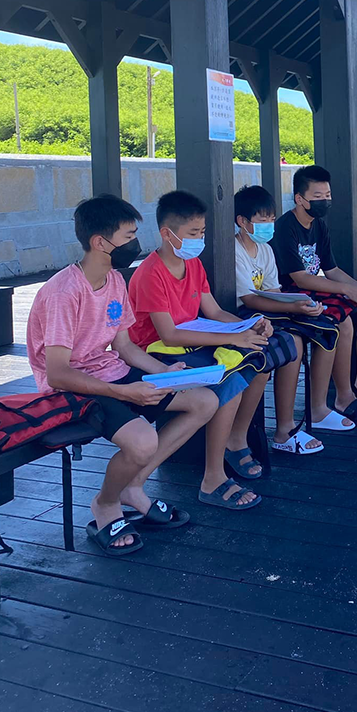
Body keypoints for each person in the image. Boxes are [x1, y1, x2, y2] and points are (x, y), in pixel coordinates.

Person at [26, 194, 218, 555]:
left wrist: (165, 373)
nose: (135, 244)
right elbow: (57, 374)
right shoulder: (64, 293)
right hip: (73, 388)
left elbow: (125, 347)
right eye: (128, 236)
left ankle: (134, 486)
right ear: (101, 242)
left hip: (110, 371)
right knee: (142, 440)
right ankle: (106, 503)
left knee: (203, 400)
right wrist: (127, 394)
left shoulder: (114, 280)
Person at [129, 190, 288, 510]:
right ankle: (213, 475)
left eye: (201, 232)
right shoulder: (151, 273)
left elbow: (214, 313)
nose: (199, 239)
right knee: (229, 379)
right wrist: (235, 338)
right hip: (156, 355)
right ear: (167, 234)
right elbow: (169, 335)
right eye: (192, 234)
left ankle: (217, 469)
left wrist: (249, 325)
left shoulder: (194, 266)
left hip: (191, 346)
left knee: (248, 365)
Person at [270, 165, 357, 427]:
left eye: (327, 195)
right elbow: (299, 277)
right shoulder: (285, 227)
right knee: (343, 321)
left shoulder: (320, 226)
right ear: (300, 199)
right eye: (318, 196)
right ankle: (343, 396)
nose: (324, 201)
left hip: (318, 288)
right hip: (293, 293)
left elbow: (331, 269)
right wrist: (346, 290)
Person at [233, 184, 345, 454]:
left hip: (267, 310)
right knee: (291, 342)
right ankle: (284, 429)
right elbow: (249, 299)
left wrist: (300, 305)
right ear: (242, 222)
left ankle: (298, 420)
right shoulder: (234, 251)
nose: (269, 225)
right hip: (242, 314)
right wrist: (293, 308)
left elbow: (273, 292)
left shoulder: (265, 250)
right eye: (263, 220)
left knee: (325, 324)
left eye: (272, 219)